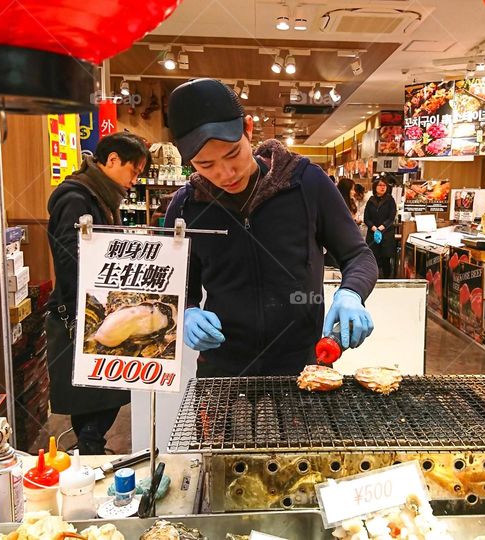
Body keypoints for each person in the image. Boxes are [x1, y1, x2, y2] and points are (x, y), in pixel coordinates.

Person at [163, 78, 378, 377]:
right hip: (222, 368)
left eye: (232, 153)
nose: (225, 173)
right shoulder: (186, 207)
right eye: (205, 164)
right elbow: (173, 285)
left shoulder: (306, 183)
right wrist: (185, 311)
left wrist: (351, 293)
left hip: (302, 364)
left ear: (248, 129)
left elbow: (358, 256)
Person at [46, 132, 151, 454]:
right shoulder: (77, 198)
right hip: (81, 316)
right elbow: (70, 258)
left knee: (103, 395)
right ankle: (90, 458)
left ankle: (91, 453)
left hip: (94, 313)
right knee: (93, 399)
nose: (135, 179)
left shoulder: (100, 196)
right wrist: (99, 302)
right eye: (133, 171)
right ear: (113, 160)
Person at [364, 178, 397, 278]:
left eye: (384, 185)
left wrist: (382, 227)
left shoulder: (390, 200)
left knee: (386, 258)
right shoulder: (371, 200)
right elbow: (366, 218)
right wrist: (374, 228)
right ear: (375, 187)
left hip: (386, 234)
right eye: (380, 185)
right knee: (372, 257)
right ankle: (372, 278)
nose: (382, 187)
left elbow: (391, 217)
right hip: (372, 233)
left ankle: (386, 279)